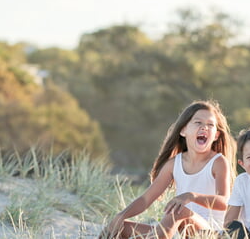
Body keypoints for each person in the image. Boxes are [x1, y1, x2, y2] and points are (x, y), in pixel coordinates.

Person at [99, 100, 236, 239]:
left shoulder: (218, 162)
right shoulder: (174, 164)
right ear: (183, 130)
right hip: (177, 231)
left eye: (210, 125)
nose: (204, 128)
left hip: (210, 232)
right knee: (115, 227)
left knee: (179, 210)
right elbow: (146, 199)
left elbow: (224, 202)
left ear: (216, 135)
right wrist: (121, 215)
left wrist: (191, 196)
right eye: (198, 122)